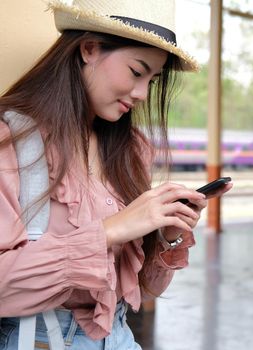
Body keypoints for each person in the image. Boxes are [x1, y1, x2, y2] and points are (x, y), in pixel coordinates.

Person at [0, 0, 232, 348]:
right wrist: (112, 229)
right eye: (137, 72)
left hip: (120, 338)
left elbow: (144, 289)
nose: (141, 94)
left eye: (152, 81)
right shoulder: (14, 140)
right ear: (90, 48)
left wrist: (167, 234)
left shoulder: (131, 149)